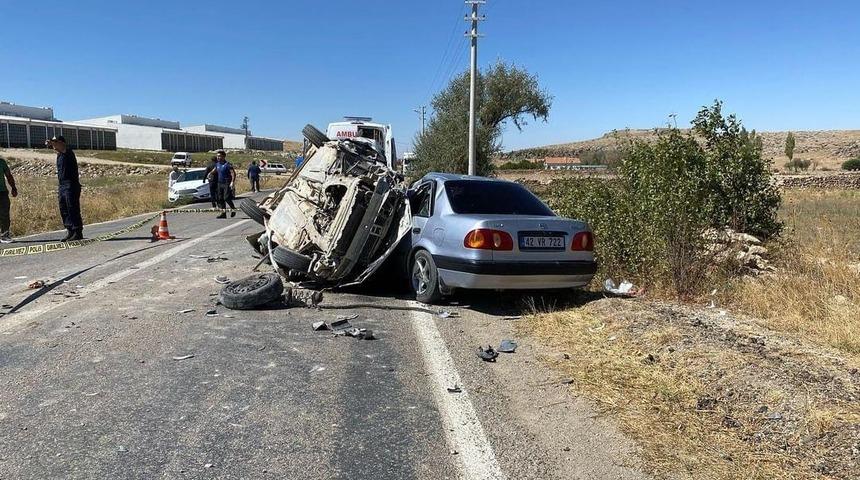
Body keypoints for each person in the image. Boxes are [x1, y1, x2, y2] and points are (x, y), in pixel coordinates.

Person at [48, 136, 83, 241]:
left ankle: (77, 231)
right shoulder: (59, 155)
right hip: (62, 185)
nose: (53, 145)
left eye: (55, 142)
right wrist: (52, 143)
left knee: (72, 208)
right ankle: (70, 230)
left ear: (62, 143)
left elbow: (61, 147)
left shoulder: (67, 152)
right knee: (64, 208)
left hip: (71, 185)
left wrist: (53, 142)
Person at [0, 155, 18, 243]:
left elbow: (8, 176)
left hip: (2, 192)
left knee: (4, 215)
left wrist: (13, 188)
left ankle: (4, 235)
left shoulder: (2, 162)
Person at [214, 150, 236, 218]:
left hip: (227, 183)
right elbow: (215, 170)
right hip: (219, 183)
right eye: (217, 156)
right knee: (220, 199)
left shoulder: (228, 164)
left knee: (226, 198)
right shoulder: (217, 164)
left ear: (223, 157)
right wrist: (210, 174)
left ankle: (233, 209)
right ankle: (223, 214)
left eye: (219, 156)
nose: (218, 157)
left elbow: (233, 173)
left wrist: (232, 182)